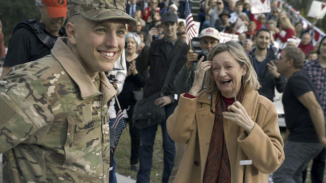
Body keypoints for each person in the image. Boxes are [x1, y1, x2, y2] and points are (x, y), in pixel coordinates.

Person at [0, 0, 136, 182]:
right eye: (101, 30)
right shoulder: (35, 83)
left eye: (120, 32)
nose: (113, 43)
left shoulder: (97, 77)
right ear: (72, 32)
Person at [167, 41, 284, 183]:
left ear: (243, 69)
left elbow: (272, 162)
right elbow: (177, 134)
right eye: (216, 68)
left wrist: (251, 127)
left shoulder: (263, 107)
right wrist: (193, 90)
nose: (222, 73)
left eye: (228, 66)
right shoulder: (199, 101)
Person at [136, 11, 189, 183]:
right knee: (146, 145)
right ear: (162, 26)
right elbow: (141, 65)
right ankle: (142, 180)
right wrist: (147, 45)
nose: (170, 27)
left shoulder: (185, 48)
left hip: (172, 102)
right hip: (152, 99)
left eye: (172, 24)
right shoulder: (155, 45)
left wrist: (172, 98)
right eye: (166, 24)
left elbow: (188, 81)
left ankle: (168, 180)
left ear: (177, 25)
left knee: (169, 147)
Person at [170, 28, 220, 183]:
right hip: (190, 119)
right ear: (200, 42)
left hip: (213, 121)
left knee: (208, 166)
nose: (209, 45)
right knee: (181, 165)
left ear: (218, 43)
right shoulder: (192, 61)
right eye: (205, 41)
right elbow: (178, 87)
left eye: (212, 42)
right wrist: (187, 65)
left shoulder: (222, 65)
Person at [273, 46, 326, 183]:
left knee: (281, 175)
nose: (277, 61)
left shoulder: (297, 79)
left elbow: (315, 107)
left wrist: (322, 137)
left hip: (306, 138)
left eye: (281, 58)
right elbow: (296, 115)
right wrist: (286, 142)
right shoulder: (295, 79)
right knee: (295, 175)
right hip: (304, 137)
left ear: (290, 62)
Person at [1, 0, 67, 79]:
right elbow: (7, 78)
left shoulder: (70, 38)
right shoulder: (24, 36)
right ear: (41, 7)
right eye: (55, 13)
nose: (59, 19)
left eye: (62, 14)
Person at [116, 32, 148, 172]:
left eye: (133, 42)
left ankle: (134, 162)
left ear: (137, 45)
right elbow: (114, 76)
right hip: (118, 98)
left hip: (135, 100)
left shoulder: (140, 60)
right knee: (114, 128)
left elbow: (143, 82)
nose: (130, 44)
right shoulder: (119, 57)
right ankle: (108, 155)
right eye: (128, 42)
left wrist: (135, 72)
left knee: (135, 132)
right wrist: (126, 74)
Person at [301, 36, 326, 183]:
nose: (325, 48)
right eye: (324, 44)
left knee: (321, 160)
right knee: (303, 158)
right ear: (319, 46)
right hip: (308, 119)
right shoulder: (308, 67)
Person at [249, 29, 286, 102]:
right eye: (261, 37)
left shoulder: (276, 61)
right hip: (248, 100)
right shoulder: (246, 59)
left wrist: (277, 76)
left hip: (266, 103)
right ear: (255, 38)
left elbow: (282, 89)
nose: (264, 40)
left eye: (267, 38)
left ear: (270, 40)